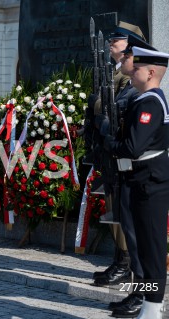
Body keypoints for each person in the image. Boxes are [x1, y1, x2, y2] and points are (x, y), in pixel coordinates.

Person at [104, 45, 169, 319]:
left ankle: (153, 308)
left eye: (137, 68)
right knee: (142, 247)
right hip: (142, 179)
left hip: (150, 182)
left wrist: (109, 140)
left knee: (151, 249)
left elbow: (132, 146)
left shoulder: (151, 103)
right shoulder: (146, 99)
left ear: (151, 72)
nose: (132, 73)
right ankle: (145, 301)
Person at [90, 22, 146, 291]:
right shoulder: (114, 71)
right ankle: (119, 259)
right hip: (109, 148)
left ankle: (127, 265)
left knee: (123, 211)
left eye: (118, 39)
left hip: (123, 149)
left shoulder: (130, 77)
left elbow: (107, 104)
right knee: (113, 205)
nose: (112, 42)